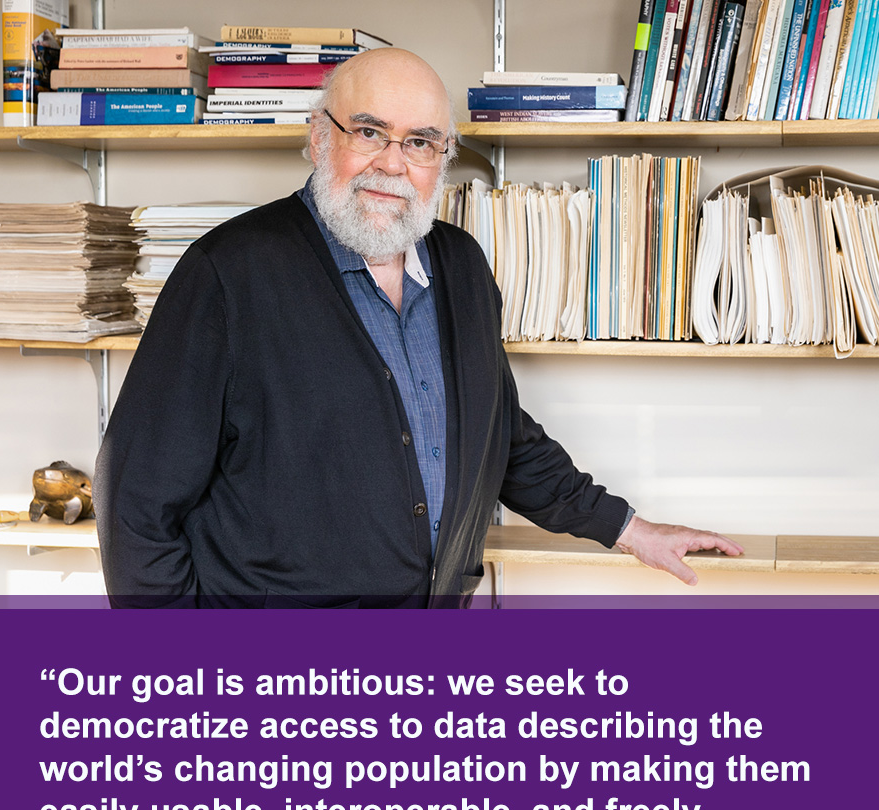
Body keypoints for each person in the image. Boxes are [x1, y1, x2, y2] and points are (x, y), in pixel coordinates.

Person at [94, 48, 743, 608]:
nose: (393, 163)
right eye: (370, 132)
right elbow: (135, 506)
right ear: (320, 136)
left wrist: (631, 529)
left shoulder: (461, 268)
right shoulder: (227, 274)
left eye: (420, 142)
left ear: (444, 159)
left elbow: (503, 438)